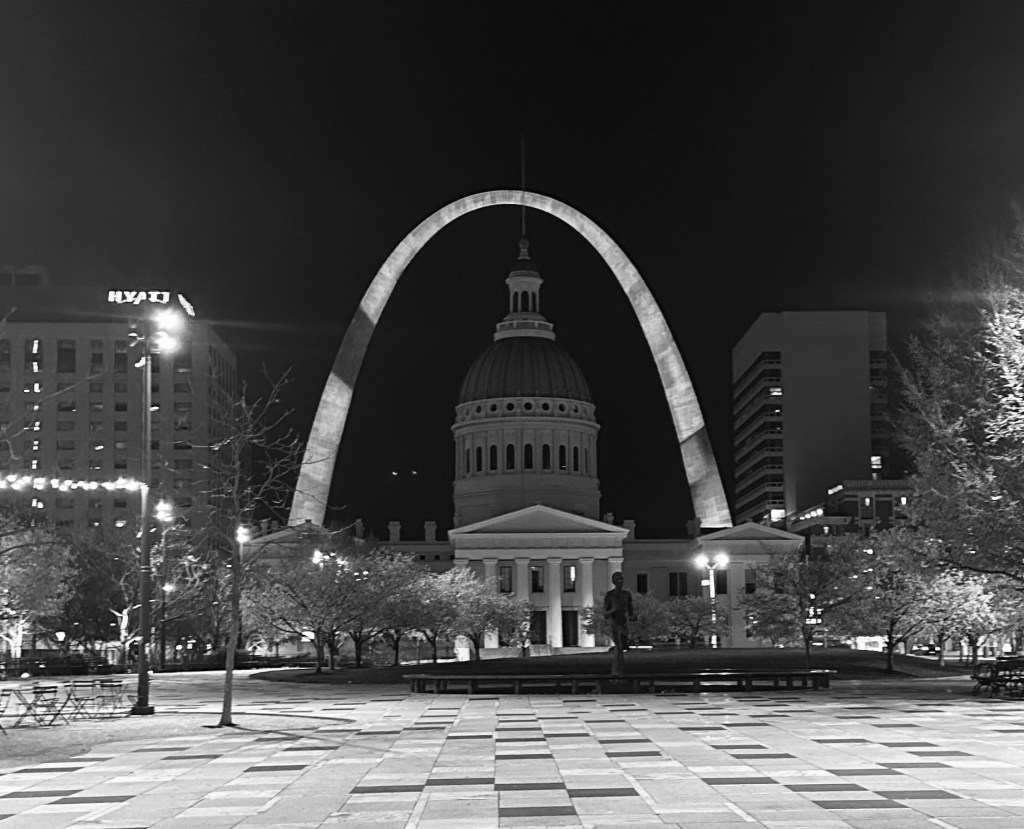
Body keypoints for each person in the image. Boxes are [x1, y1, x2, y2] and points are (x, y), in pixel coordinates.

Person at [603, 571, 635, 674]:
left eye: (621, 579)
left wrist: (632, 617)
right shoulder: (610, 595)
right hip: (615, 623)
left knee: (623, 647)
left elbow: (630, 611)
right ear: (613, 581)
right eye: (617, 579)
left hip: (624, 623)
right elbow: (605, 614)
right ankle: (617, 671)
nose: (620, 581)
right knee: (619, 646)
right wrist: (614, 609)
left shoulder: (627, 595)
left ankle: (620, 670)